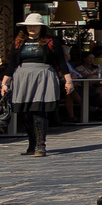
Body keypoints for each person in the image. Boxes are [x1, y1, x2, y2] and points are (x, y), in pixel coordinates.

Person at [3, 14, 72, 157]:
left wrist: (68, 81)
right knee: (26, 112)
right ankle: (32, 144)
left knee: (39, 110)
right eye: (29, 25)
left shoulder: (51, 42)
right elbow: (12, 64)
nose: (32, 28)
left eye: (35, 25)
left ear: (41, 27)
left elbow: (61, 62)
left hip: (43, 77)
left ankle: (41, 145)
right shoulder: (18, 42)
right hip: (23, 78)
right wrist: (4, 83)